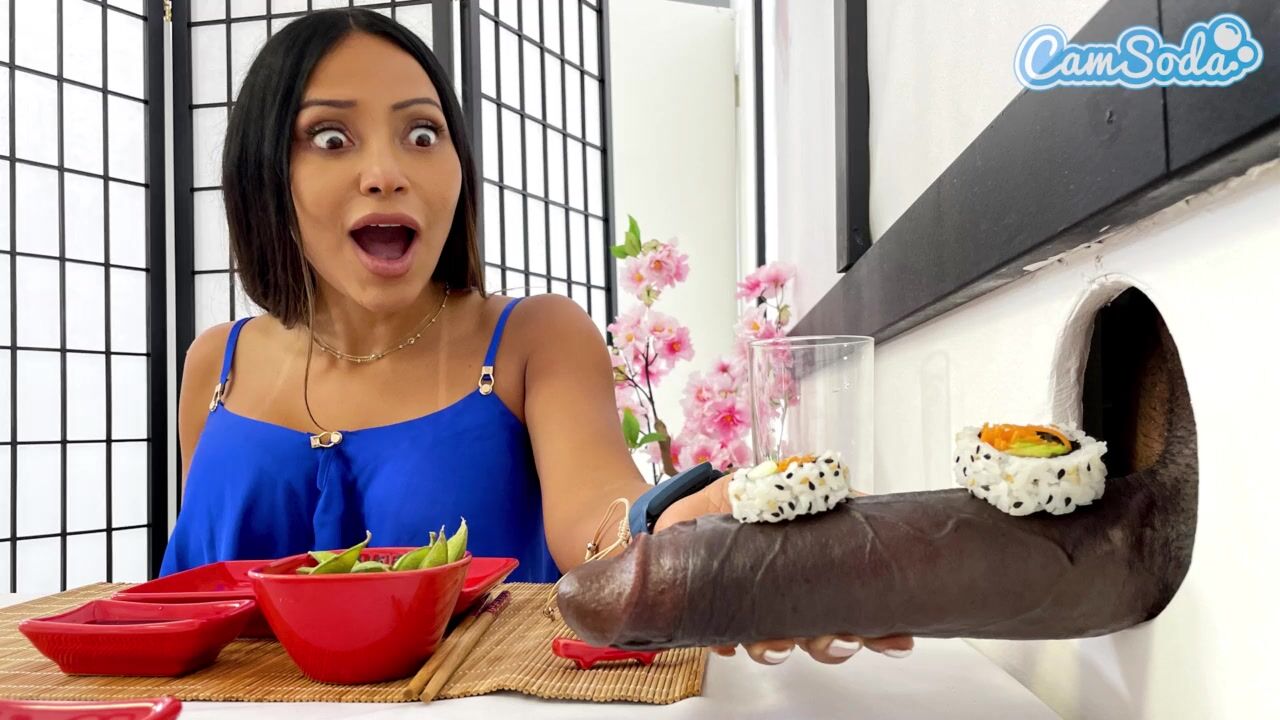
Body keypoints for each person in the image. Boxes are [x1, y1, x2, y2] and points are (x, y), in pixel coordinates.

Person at [163, 8, 910, 666]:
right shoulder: (214, 366)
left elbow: (603, 523)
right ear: (263, 170)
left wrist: (705, 523)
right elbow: (192, 609)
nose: (386, 172)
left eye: (422, 133)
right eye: (331, 138)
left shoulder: (533, 339)